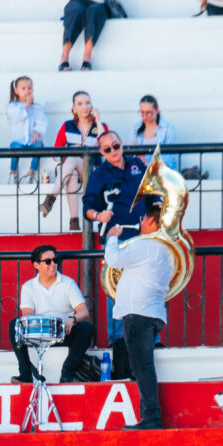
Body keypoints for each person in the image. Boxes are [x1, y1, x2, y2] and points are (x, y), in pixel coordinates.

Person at [105, 199, 172, 429]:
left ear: (152, 221)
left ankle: (151, 418)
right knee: (142, 366)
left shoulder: (145, 245)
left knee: (142, 367)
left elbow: (113, 259)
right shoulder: (167, 250)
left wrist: (112, 236)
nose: (140, 221)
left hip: (138, 313)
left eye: (143, 218)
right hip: (150, 312)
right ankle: (150, 416)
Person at [85, 130, 147, 343]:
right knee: (116, 292)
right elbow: (88, 207)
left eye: (116, 146)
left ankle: (150, 338)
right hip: (117, 240)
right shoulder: (99, 174)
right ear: (101, 152)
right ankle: (117, 342)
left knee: (146, 286)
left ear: (122, 144)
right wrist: (98, 215)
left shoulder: (138, 165)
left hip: (143, 237)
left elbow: (154, 194)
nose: (113, 151)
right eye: (107, 149)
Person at [10, 244, 94, 384]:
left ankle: (67, 373)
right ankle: (25, 374)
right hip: (39, 333)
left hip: (63, 332)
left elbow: (84, 312)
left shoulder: (68, 283)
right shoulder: (28, 287)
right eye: (48, 261)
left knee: (86, 328)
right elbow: (27, 316)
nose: (53, 264)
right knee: (14, 325)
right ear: (36, 265)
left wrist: (72, 318)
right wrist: (45, 322)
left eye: (55, 260)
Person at [45, 90, 107, 231]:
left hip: (94, 172)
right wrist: (71, 152)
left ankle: (52, 196)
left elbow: (106, 146)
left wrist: (98, 120)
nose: (84, 107)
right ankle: (74, 221)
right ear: (74, 108)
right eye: (80, 104)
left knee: (73, 157)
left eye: (87, 103)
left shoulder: (99, 126)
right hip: (74, 171)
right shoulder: (67, 126)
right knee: (71, 174)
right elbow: (55, 154)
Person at [7, 76, 48, 185]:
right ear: (16, 91)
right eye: (23, 88)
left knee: (40, 146)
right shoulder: (12, 107)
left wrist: (37, 133)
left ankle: (30, 174)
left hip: (31, 140)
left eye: (29, 88)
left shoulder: (37, 107)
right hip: (18, 140)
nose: (27, 91)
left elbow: (41, 121)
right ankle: (13, 173)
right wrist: (27, 104)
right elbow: (18, 117)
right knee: (15, 148)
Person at [128, 95, 178, 170]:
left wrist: (149, 165)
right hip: (139, 171)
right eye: (141, 112)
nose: (144, 116)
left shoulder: (168, 128)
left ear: (157, 111)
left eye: (148, 113)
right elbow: (129, 153)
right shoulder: (136, 127)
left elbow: (171, 156)